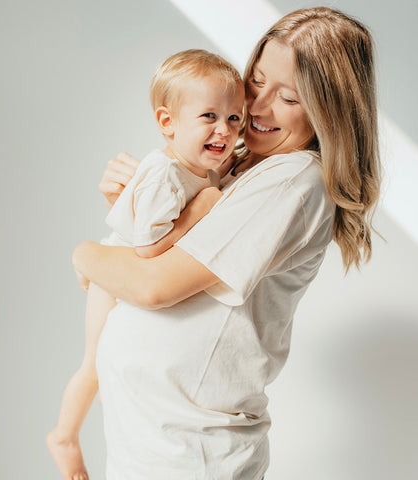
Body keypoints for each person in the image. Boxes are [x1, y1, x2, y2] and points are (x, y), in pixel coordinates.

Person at [72, 7, 381, 480]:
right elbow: (140, 273)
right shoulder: (237, 168)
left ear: (329, 112)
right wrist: (135, 209)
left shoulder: (294, 179)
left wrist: (86, 255)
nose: (257, 107)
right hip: (152, 440)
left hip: (190, 453)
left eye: (289, 98)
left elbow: (153, 285)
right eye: (256, 81)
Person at [47, 49, 245, 480]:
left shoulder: (204, 163)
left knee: (112, 365)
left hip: (126, 268)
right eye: (209, 116)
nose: (224, 130)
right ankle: (64, 435)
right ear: (167, 123)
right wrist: (204, 207)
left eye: (234, 118)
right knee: (93, 363)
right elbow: (149, 249)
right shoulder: (164, 172)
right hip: (115, 271)